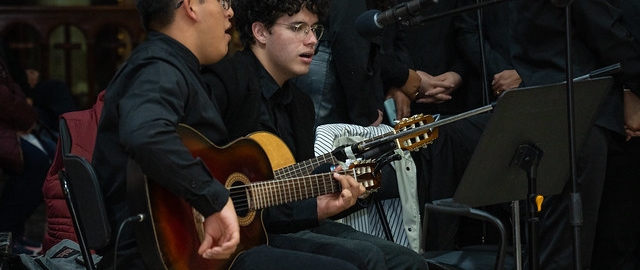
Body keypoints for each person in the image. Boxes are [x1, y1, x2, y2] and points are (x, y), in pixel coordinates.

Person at [92, 0, 363, 269]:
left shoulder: (179, 70)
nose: (230, 12)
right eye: (222, 2)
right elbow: (145, 133)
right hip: (162, 256)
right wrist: (214, 200)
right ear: (190, 6)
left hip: (198, 248)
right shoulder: (158, 67)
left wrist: (313, 206)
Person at [200, 0, 429, 269]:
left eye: (315, 30)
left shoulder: (300, 104)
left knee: (408, 262)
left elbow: (300, 189)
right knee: (367, 259)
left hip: (283, 222)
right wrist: (312, 210)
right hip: (236, 232)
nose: (312, 41)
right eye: (298, 28)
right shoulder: (226, 82)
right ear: (261, 32)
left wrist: (347, 194)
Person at [0, 55, 47, 256]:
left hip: (9, 125)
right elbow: (5, 98)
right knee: (36, 164)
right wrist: (27, 115)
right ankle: (6, 233)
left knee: (44, 160)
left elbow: (12, 85)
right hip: (7, 125)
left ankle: (14, 234)